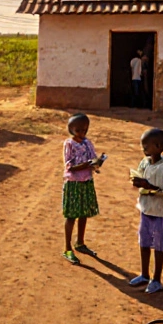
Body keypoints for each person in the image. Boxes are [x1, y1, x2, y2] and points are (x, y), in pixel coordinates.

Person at [128, 128, 163, 294]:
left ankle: (156, 279)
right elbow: (140, 180)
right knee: (144, 243)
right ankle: (144, 274)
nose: (143, 149)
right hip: (146, 211)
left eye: (146, 146)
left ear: (159, 146)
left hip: (161, 214)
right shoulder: (144, 163)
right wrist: (137, 183)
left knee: (158, 247)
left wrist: (149, 186)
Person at [61, 113, 104, 265]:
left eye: (85, 130)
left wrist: (98, 163)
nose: (82, 133)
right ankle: (67, 248)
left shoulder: (87, 143)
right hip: (73, 183)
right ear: (71, 129)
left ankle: (80, 242)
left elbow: (93, 160)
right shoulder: (69, 144)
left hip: (86, 181)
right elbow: (70, 166)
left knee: (84, 213)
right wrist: (86, 164)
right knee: (72, 215)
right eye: (78, 130)